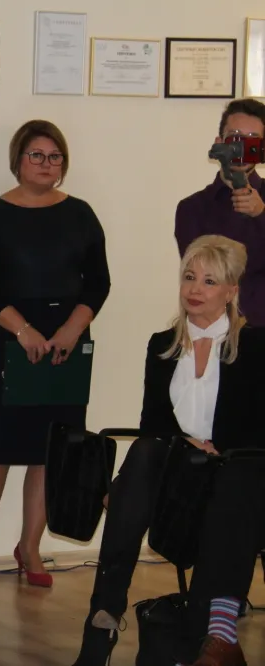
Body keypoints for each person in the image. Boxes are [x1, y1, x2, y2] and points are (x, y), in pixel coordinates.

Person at [72, 235, 265, 666]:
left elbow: (257, 430)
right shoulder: (162, 344)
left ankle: (215, 632)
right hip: (180, 469)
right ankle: (104, 614)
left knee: (236, 478)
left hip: (236, 470)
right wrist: (185, 444)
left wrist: (216, 449)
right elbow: (153, 424)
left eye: (209, 281)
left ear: (231, 291)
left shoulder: (255, 347)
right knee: (144, 453)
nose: (194, 289)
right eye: (189, 277)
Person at [0, 120, 111, 593]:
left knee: (52, 451)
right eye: (37, 155)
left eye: (55, 156)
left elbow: (98, 282)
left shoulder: (81, 214)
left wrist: (71, 330)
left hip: (67, 347)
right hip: (10, 343)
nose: (47, 164)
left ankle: (30, 546)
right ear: (18, 160)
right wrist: (24, 331)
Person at [176, 98, 265, 326]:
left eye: (251, 140)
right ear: (219, 142)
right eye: (235, 138)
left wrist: (261, 215)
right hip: (210, 330)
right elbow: (204, 274)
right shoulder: (192, 209)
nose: (241, 148)